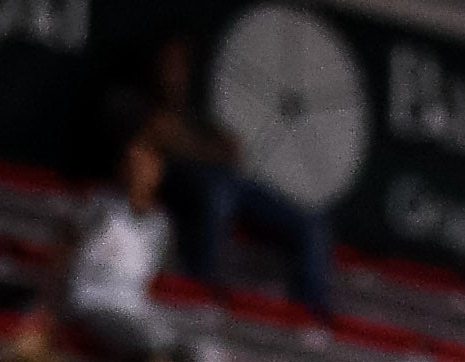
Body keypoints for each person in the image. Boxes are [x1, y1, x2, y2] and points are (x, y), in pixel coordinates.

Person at [105, 29, 331, 312]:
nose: (177, 72)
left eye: (182, 64)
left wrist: (201, 146)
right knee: (216, 195)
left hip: (226, 184)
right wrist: (194, 148)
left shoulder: (194, 113)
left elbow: (226, 151)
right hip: (183, 188)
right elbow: (157, 142)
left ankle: (311, 312)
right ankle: (201, 287)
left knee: (309, 224)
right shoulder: (133, 104)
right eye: (169, 62)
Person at [58, 141, 192, 362]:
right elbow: (63, 252)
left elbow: (150, 275)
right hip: (93, 302)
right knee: (152, 343)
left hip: (134, 307)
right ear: (122, 169)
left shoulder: (160, 224)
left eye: (147, 167)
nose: (139, 173)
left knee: (202, 350)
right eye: (134, 166)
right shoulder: (98, 206)